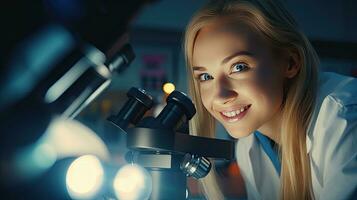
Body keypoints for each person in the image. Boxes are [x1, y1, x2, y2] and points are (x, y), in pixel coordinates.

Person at [183, 0, 357, 199]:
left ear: (291, 62)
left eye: (239, 67)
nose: (220, 95)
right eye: (205, 77)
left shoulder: (345, 116)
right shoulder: (249, 146)